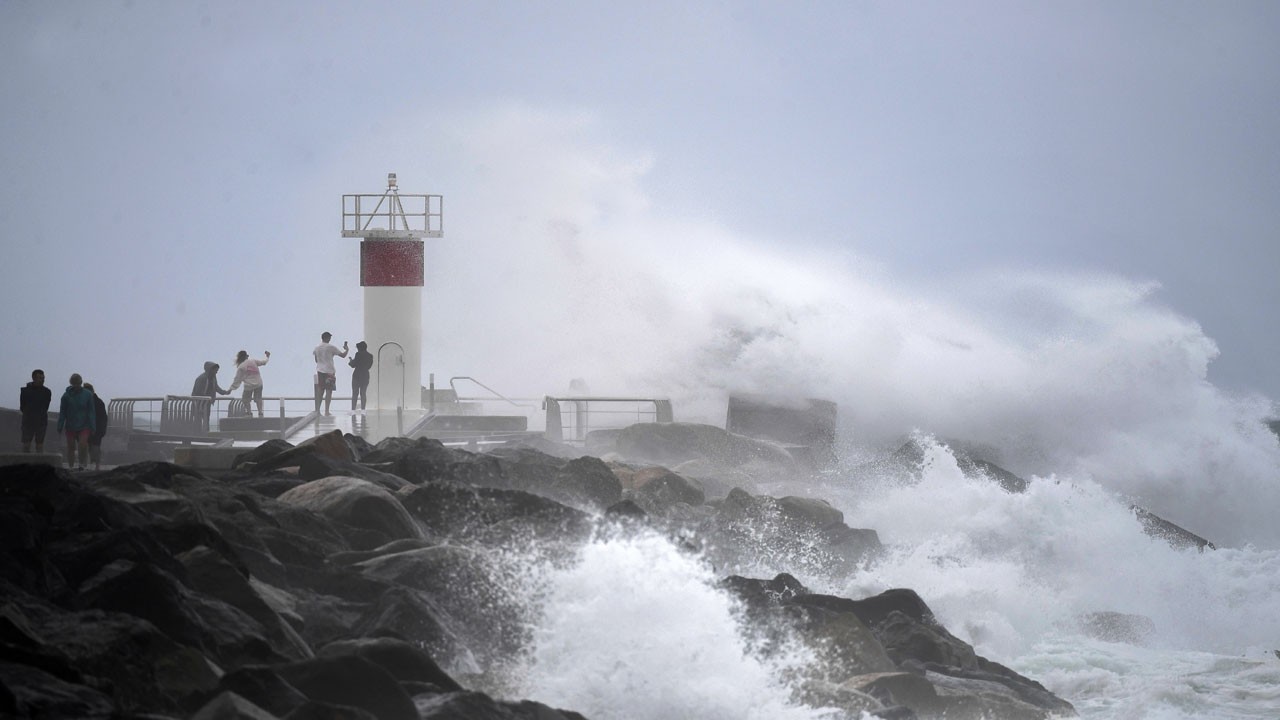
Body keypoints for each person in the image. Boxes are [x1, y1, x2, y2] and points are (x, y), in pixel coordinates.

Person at [57, 373, 96, 470]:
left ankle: (82, 465)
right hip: (70, 425)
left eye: (78, 383)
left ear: (81, 382)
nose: (77, 386)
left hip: (84, 425)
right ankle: (70, 466)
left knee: (82, 445)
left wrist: (93, 426)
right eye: (74, 384)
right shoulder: (66, 396)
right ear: (71, 384)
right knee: (71, 447)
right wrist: (60, 425)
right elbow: (63, 412)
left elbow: (91, 411)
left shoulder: (88, 394)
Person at [312, 332, 348, 416]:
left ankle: (317, 410)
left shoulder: (316, 348)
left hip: (320, 370)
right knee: (329, 391)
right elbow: (343, 355)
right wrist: (347, 349)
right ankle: (327, 411)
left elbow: (316, 360)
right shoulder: (331, 347)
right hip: (329, 371)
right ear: (328, 338)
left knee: (320, 391)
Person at [228, 350, 270, 418]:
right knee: (258, 399)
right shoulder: (253, 361)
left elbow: (237, 379)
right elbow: (263, 362)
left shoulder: (241, 367)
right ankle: (260, 413)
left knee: (245, 400)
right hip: (259, 383)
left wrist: (231, 389)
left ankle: (249, 413)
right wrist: (267, 357)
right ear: (246, 356)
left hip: (248, 385)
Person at [19, 368, 52, 453]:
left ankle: (39, 464)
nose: (42, 380)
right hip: (28, 420)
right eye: (40, 378)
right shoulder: (25, 391)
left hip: (41, 420)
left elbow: (46, 406)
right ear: (34, 378)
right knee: (26, 444)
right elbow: (22, 406)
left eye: (43, 378)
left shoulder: (47, 392)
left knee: (40, 444)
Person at [83, 382, 109, 471]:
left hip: (96, 429)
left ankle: (96, 465)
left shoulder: (98, 402)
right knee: (91, 447)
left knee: (94, 447)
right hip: (89, 428)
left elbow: (103, 417)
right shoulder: (88, 401)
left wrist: (102, 430)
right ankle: (93, 465)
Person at [348, 341, 373, 413]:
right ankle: (363, 409)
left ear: (359, 348)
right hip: (365, 375)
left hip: (357, 375)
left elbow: (353, 364)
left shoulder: (358, 354)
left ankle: (353, 410)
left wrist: (350, 361)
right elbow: (369, 366)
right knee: (363, 393)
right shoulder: (370, 356)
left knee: (355, 393)